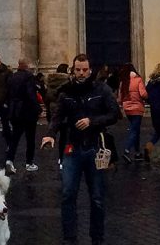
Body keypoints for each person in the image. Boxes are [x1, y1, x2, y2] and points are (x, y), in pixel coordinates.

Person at [42, 53, 120, 245]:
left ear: (90, 70)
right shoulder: (66, 92)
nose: (82, 73)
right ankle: (69, 238)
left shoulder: (102, 89)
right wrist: (50, 134)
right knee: (68, 194)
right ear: (73, 70)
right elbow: (57, 117)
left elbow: (114, 114)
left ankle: (97, 238)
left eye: (85, 70)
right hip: (72, 148)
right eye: (78, 70)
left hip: (95, 148)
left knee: (97, 197)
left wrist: (92, 121)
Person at [6, 59, 42, 173]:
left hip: (15, 111)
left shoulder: (12, 77)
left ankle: (9, 161)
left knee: (15, 138)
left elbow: (8, 94)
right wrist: (38, 108)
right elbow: (31, 94)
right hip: (27, 111)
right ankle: (29, 162)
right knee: (30, 138)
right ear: (26, 66)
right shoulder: (29, 77)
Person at [118, 63, 147, 162]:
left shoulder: (124, 82)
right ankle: (127, 150)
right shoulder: (138, 80)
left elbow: (120, 97)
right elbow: (143, 94)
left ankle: (137, 153)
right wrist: (147, 96)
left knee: (136, 130)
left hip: (127, 109)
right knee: (134, 130)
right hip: (137, 108)